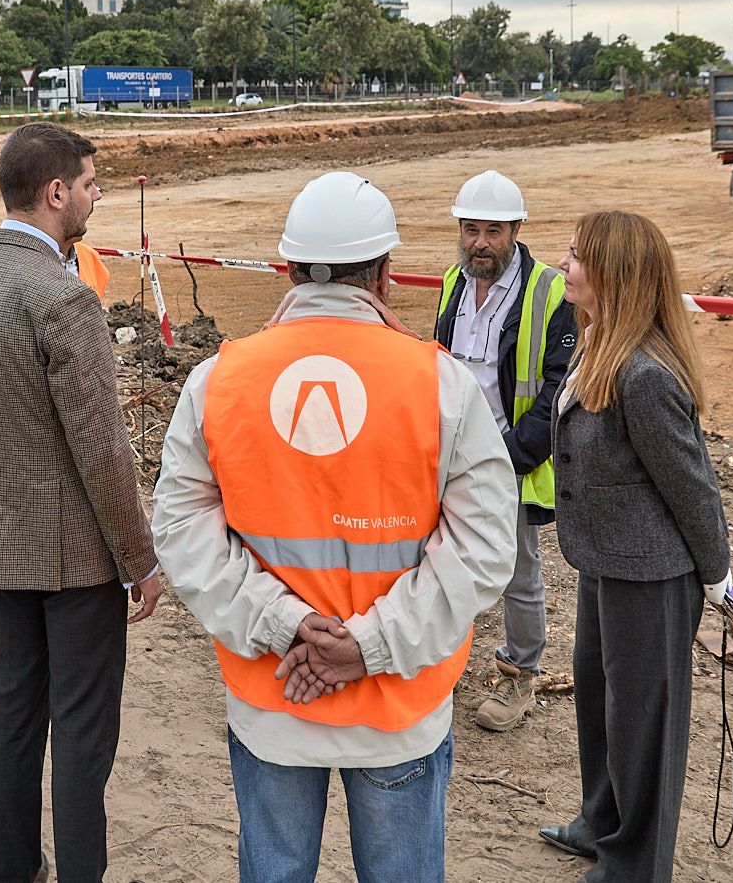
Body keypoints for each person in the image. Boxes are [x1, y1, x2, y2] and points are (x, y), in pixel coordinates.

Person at [150, 170, 519, 883]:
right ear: (383, 273)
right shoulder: (442, 384)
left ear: (288, 269)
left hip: (275, 698)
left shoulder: (218, 382)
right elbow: (482, 546)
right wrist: (370, 644)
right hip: (397, 708)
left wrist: (286, 625)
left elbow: (182, 530)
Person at [0, 122, 159, 883]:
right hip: (78, 558)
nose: (95, 197)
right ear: (56, 192)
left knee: (12, 716)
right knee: (83, 739)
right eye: (90, 184)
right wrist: (139, 559)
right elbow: (103, 452)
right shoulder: (65, 297)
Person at [538, 210, 733, 882]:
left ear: (613, 273)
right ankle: (602, 822)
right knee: (600, 700)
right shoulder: (595, 345)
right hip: (604, 561)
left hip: (651, 575)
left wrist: (718, 576)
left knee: (643, 723)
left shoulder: (646, 376)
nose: (563, 263)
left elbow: (694, 486)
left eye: (574, 254)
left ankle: (636, 864)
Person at [433, 170, 576, 732]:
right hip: (449, 454)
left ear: (515, 230)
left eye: (493, 231)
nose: (480, 243)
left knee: (517, 572)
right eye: (471, 230)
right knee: (440, 559)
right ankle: (438, 666)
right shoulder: (452, 283)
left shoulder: (549, 291)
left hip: (512, 456)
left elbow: (558, 387)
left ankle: (520, 675)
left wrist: (513, 455)